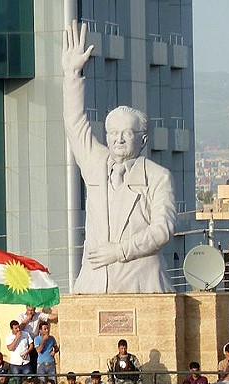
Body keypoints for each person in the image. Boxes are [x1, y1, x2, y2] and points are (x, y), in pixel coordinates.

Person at [62, 20, 176, 294]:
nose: (118, 139)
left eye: (127, 133)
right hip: (95, 282)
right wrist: (72, 75)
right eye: (113, 133)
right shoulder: (95, 163)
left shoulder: (158, 177)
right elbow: (75, 123)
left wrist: (121, 251)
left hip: (140, 280)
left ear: (143, 139)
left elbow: (164, 228)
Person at [17, 306, 58, 373]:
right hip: (25, 342)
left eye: (32, 310)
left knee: (35, 362)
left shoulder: (38, 315)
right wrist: (26, 320)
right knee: (26, 363)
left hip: (35, 341)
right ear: (26, 308)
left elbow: (49, 316)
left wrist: (61, 315)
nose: (30, 312)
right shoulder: (21, 316)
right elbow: (19, 329)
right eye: (29, 310)